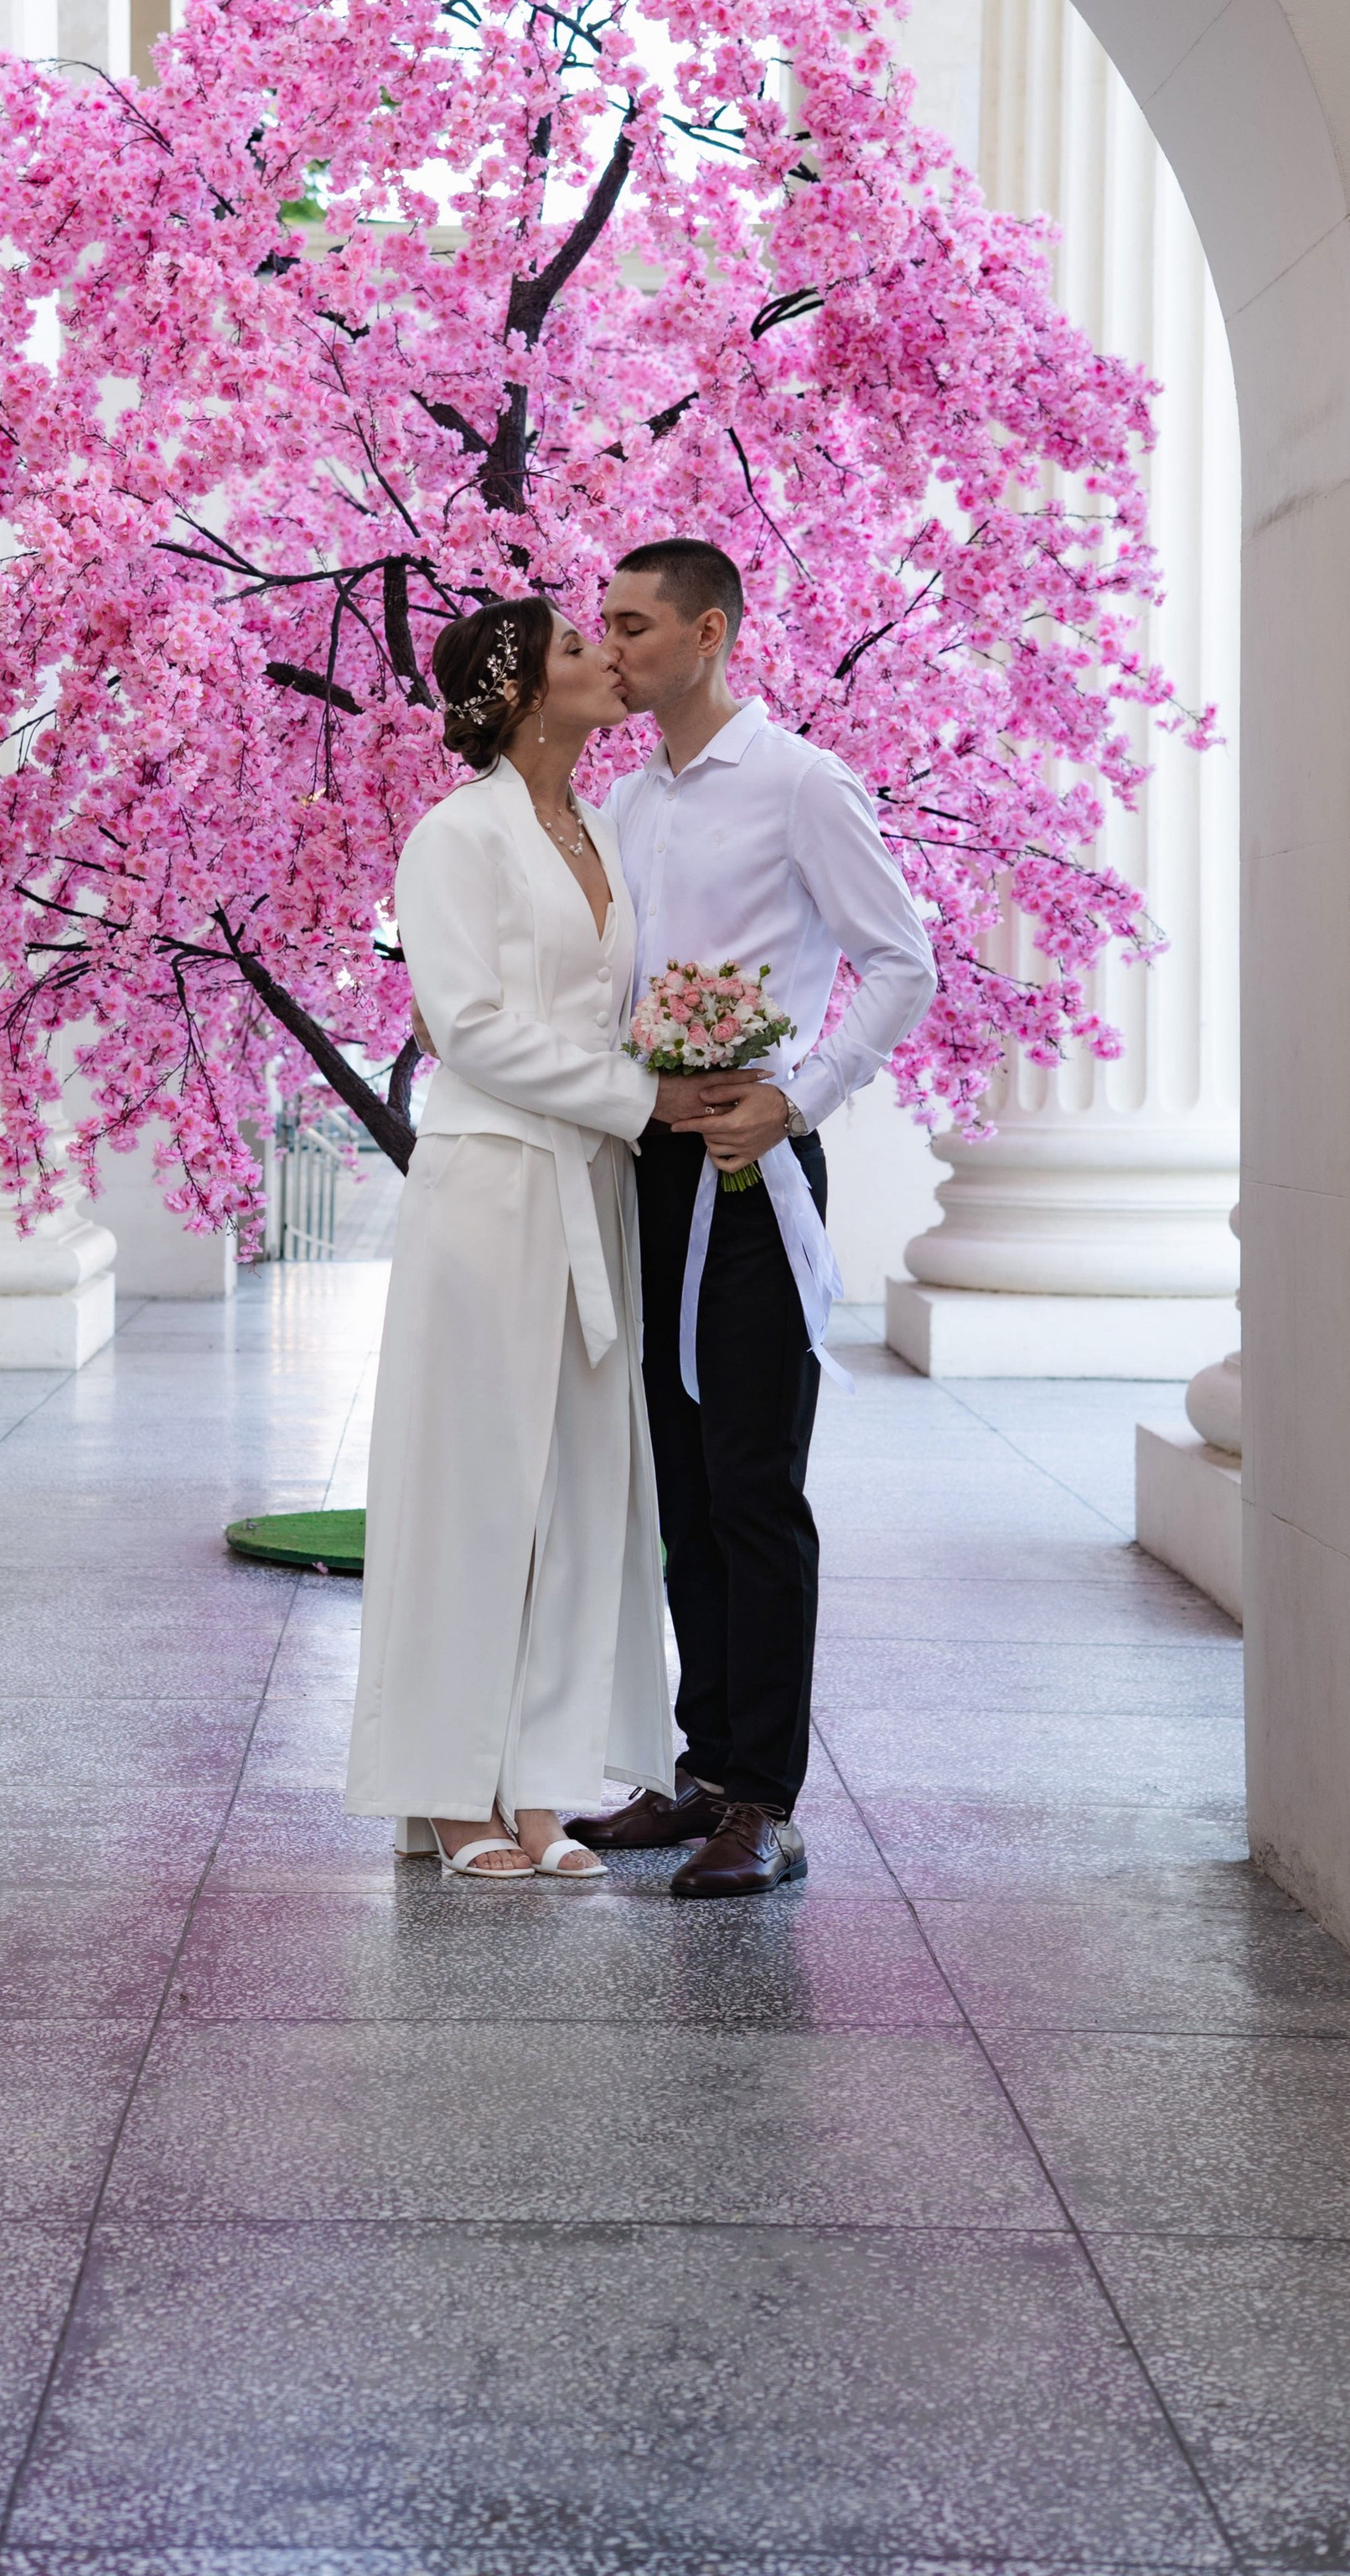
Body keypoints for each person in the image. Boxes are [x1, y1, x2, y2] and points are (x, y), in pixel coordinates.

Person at [567, 539, 938, 1897]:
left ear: (708, 633)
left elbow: (905, 960)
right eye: (603, 624)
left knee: (752, 1487)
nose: (612, 646)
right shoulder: (629, 804)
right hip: (653, 1162)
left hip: (755, 1165)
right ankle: (706, 1770)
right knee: (679, 1481)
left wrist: (801, 1097)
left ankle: (764, 1805)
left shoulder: (802, 783)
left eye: (634, 624)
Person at [344, 598, 699, 1882]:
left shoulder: (597, 827)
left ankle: (542, 1782)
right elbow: (468, 1024)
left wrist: (685, 1062)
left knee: (581, 1492)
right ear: (514, 693)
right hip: (494, 1185)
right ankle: (449, 1788)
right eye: (575, 649)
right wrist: (641, 1097)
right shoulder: (457, 835)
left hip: (592, 1187)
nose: (609, 656)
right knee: (474, 1487)